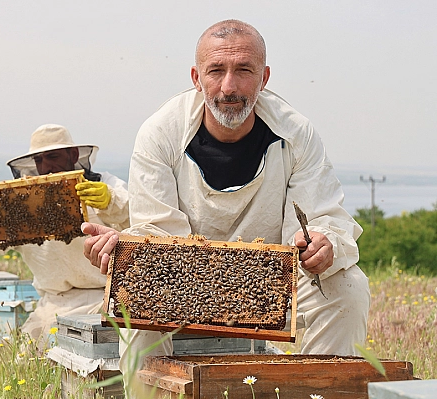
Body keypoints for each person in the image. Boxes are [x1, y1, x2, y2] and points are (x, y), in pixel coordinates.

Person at [82, 19, 370, 376]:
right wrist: (124, 249)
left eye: (243, 71)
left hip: (271, 281)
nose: (229, 86)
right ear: (196, 77)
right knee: (134, 293)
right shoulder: (160, 133)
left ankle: (316, 387)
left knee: (349, 287)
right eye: (216, 71)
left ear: (264, 78)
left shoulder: (297, 133)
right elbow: (156, 231)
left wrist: (325, 244)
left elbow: (323, 215)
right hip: (181, 279)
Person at [0, 124, 129, 348]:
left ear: (74, 155)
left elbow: (144, 223)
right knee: (27, 363)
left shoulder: (107, 186)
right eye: (39, 160)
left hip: (107, 300)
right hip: (54, 303)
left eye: (53, 157)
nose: (46, 166)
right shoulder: (22, 201)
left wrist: (112, 202)